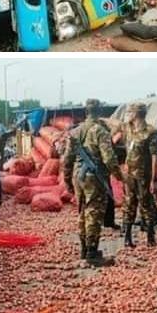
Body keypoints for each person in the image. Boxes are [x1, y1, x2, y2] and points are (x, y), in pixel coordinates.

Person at [62, 99, 123, 268]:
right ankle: (92, 253)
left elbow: (67, 160)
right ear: (100, 111)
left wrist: (67, 181)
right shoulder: (100, 131)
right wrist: (119, 176)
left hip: (78, 176)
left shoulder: (76, 132)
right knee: (94, 213)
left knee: (82, 211)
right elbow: (109, 158)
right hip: (94, 177)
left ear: (85, 112)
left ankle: (84, 249)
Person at [120, 103, 157, 248]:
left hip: (144, 175)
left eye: (130, 111)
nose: (128, 114)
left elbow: (155, 155)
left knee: (146, 205)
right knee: (129, 204)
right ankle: (128, 237)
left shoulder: (150, 132)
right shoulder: (128, 128)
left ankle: (150, 236)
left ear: (137, 114)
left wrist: (153, 179)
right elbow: (114, 124)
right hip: (129, 175)